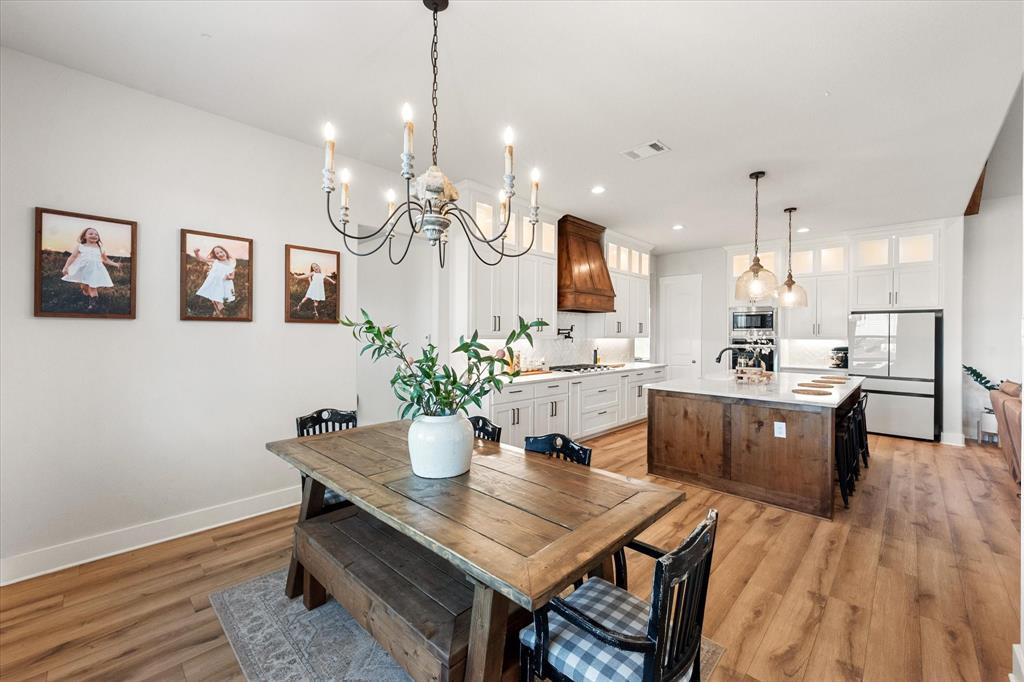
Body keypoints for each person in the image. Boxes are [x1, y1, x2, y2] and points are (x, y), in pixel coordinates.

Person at [61, 227, 120, 311]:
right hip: (83, 269)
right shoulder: (80, 246)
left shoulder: (100, 248)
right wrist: (66, 267)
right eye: (91, 234)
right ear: (84, 236)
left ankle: (93, 305)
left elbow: (105, 259)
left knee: (93, 286)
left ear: (98, 237)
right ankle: (87, 294)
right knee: (84, 286)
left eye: (96, 234)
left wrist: (115, 264)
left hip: (95, 270)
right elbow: (72, 257)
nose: (94, 235)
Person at [192, 245, 236, 316]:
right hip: (213, 283)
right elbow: (201, 259)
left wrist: (228, 277)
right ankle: (218, 314)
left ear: (225, 251)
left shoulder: (231, 263)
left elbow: (232, 276)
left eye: (221, 252)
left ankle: (221, 315)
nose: (220, 254)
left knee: (218, 301)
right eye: (217, 253)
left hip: (223, 284)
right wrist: (196, 253)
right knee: (214, 301)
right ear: (215, 255)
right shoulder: (216, 261)